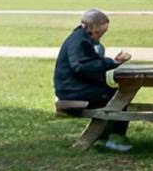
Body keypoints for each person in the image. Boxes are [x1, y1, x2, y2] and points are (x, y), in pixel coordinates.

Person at [54, 9, 133, 152]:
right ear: (91, 28)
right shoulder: (78, 41)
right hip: (72, 91)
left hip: (76, 87)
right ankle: (113, 139)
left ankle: (106, 137)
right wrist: (110, 63)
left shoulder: (83, 39)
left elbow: (92, 62)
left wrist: (113, 63)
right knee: (119, 96)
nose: (101, 35)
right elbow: (81, 66)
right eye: (101, 32)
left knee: (117, 93)